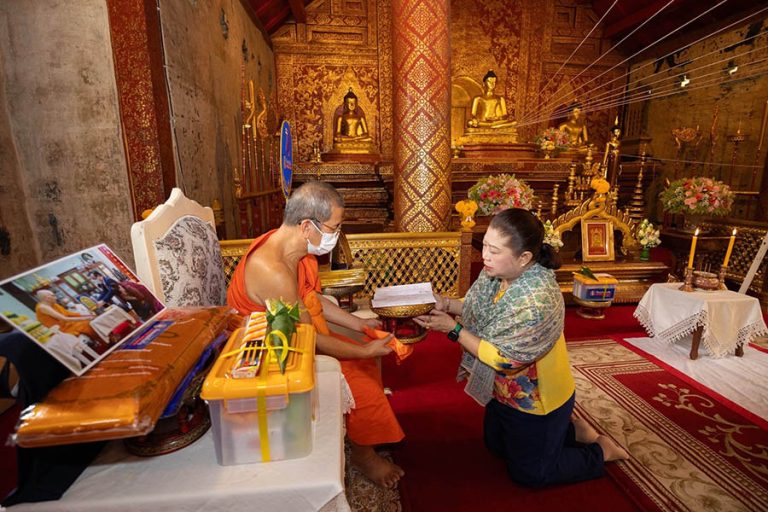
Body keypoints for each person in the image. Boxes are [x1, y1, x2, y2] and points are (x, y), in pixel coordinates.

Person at [414, 208, 628, 487]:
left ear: (524, 257)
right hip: (503, 392)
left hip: (537, 397)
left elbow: (507, 361)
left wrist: (453, 329)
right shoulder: (498, 273)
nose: (485, 256)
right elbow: (482, 311)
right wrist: (446, 304)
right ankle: (571, 431)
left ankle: (601, 451)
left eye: (494, 250)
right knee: (496, 448)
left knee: (531, 475)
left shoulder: (535, 298)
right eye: (485, 245)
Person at [227, 180, 405, 488]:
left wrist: (359, 326)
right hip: (265, 348)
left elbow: (313, 299)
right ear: (307, 226)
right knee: (361, 382)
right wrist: (364, 351)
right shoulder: (272, 269)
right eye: (334, 227)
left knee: (364, 348)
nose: (337, 235)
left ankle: (363, 436)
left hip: (296, 331)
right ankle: (363, 456)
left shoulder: (298, 249)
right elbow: (303, 338)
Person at [34, 290, 104, 352]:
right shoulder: (43, 307)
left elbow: (68, 313)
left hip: (68, 324)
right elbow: (64, 318)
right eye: (53, 295)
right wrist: (86, 318)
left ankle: (101, 340)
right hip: (61, 330)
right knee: (86, 324)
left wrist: (85, 315)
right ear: (47, 298)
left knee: (90, 321)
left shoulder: (53, 304)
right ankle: (101, 342)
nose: (56, 297)